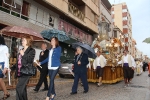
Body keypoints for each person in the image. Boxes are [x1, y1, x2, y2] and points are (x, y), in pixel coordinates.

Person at [15, 36, 35, 100]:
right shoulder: (21, 50)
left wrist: (23, 54)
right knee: (23, 89)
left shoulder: (32, 50)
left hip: (26, 71)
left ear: (28, 41)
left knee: (18, 87)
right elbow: (18, 61)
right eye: (22, 40)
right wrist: (11, 68)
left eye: (23, 40)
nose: (22, 41)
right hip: (20, 71)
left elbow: (30, 61)